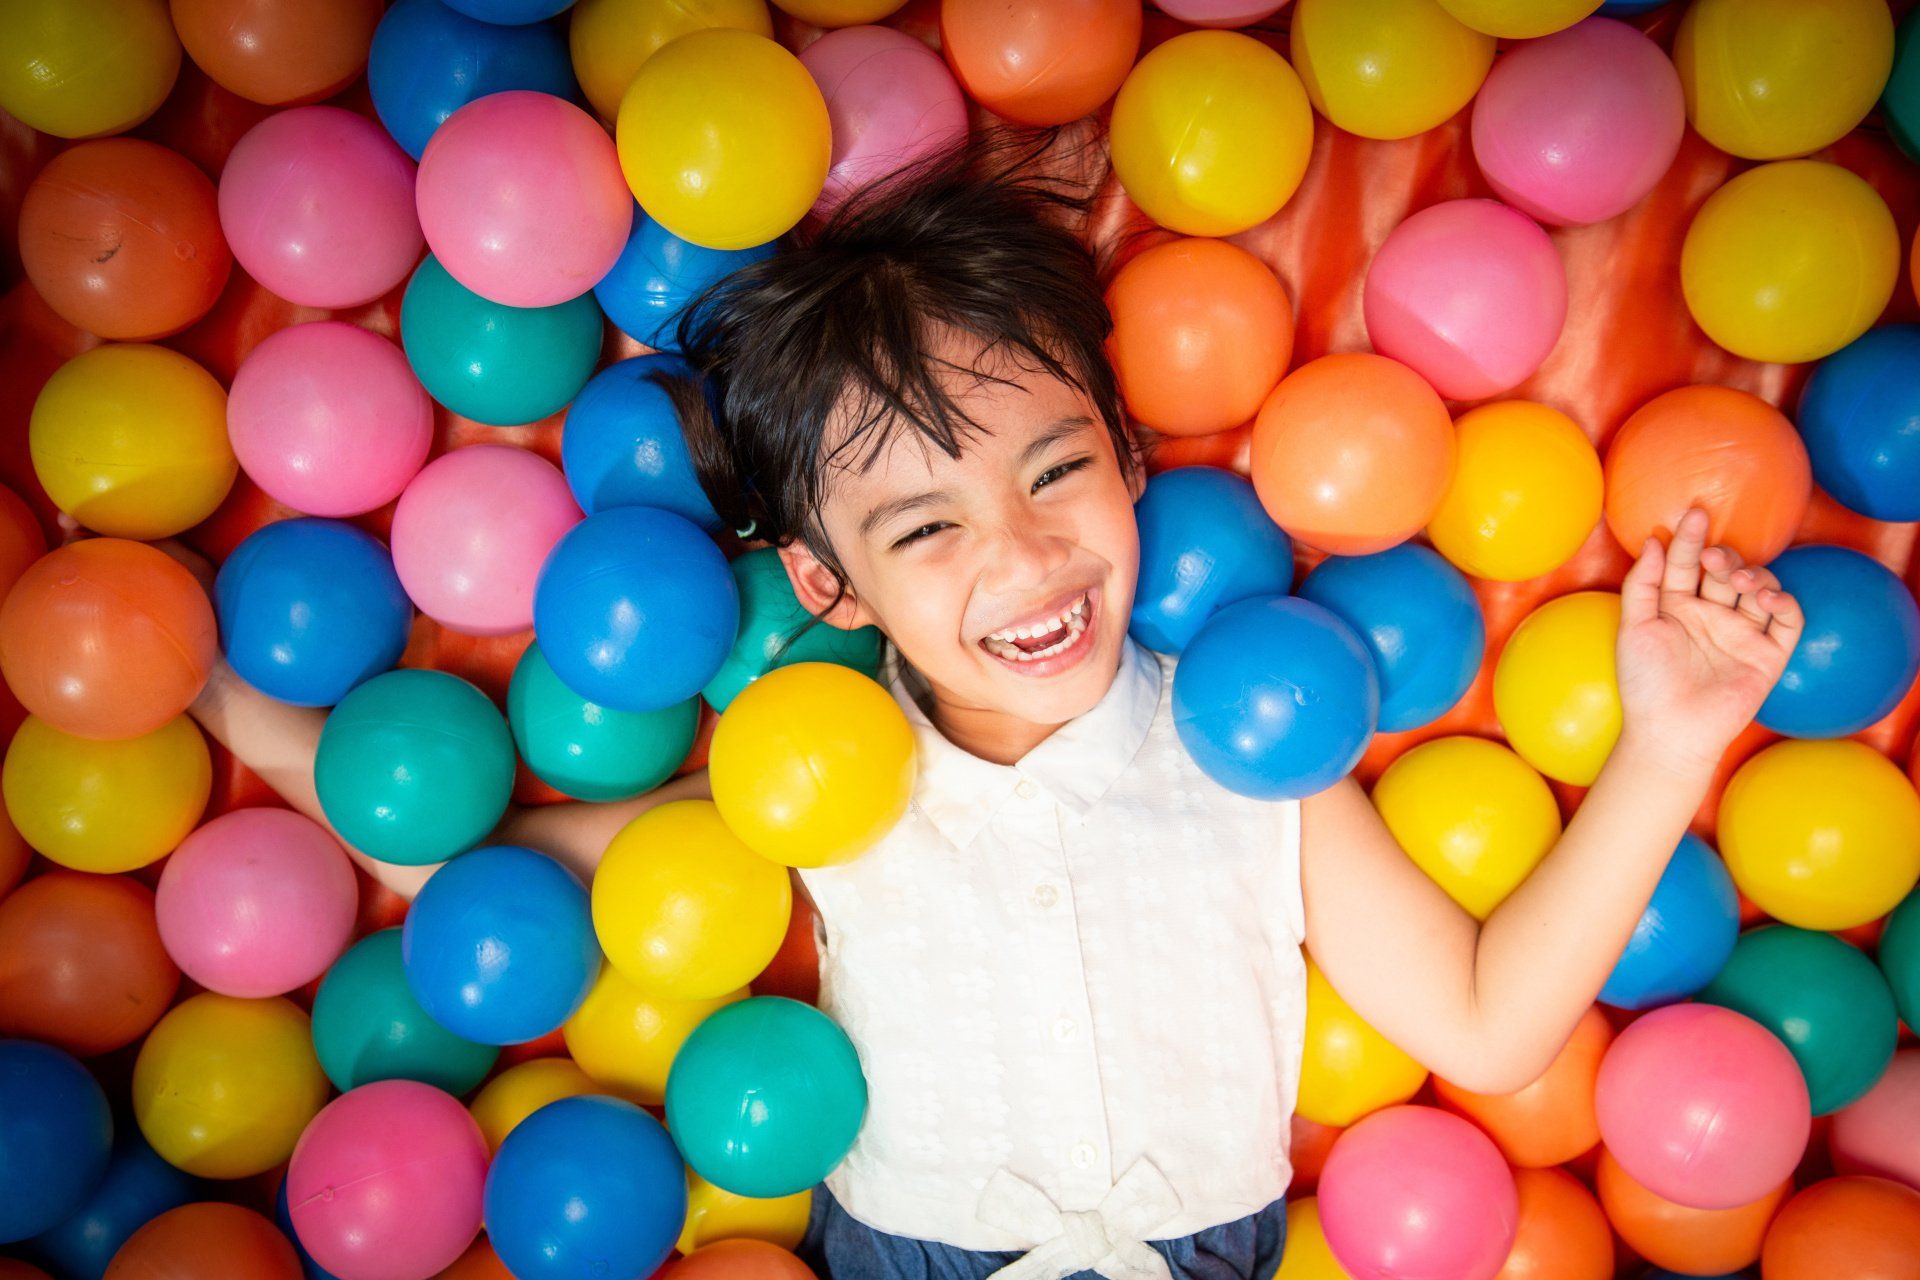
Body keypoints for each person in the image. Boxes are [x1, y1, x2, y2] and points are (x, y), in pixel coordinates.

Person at [190, 128, 1803, 1280]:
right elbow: (484, 853)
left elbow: (1486, 1020)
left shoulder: (1249, 745)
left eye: (1056, 472)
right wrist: (200, 686)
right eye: (924, 530)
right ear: (827, 584)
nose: (1028, 559)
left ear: (1124, 449)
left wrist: (1671, 741)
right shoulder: (822, 787)